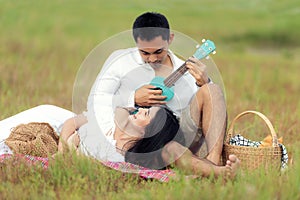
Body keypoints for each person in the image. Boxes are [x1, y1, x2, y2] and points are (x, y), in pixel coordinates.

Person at [60, 86, 240, 179]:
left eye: (144, 112)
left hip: (166, 135)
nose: (138, 110)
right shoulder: (109, 122)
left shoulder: (147, 152)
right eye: (143, 109)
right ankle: (217, 172)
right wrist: (63, 149)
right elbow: (73, 123)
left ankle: (217, 169)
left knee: (173, 149)